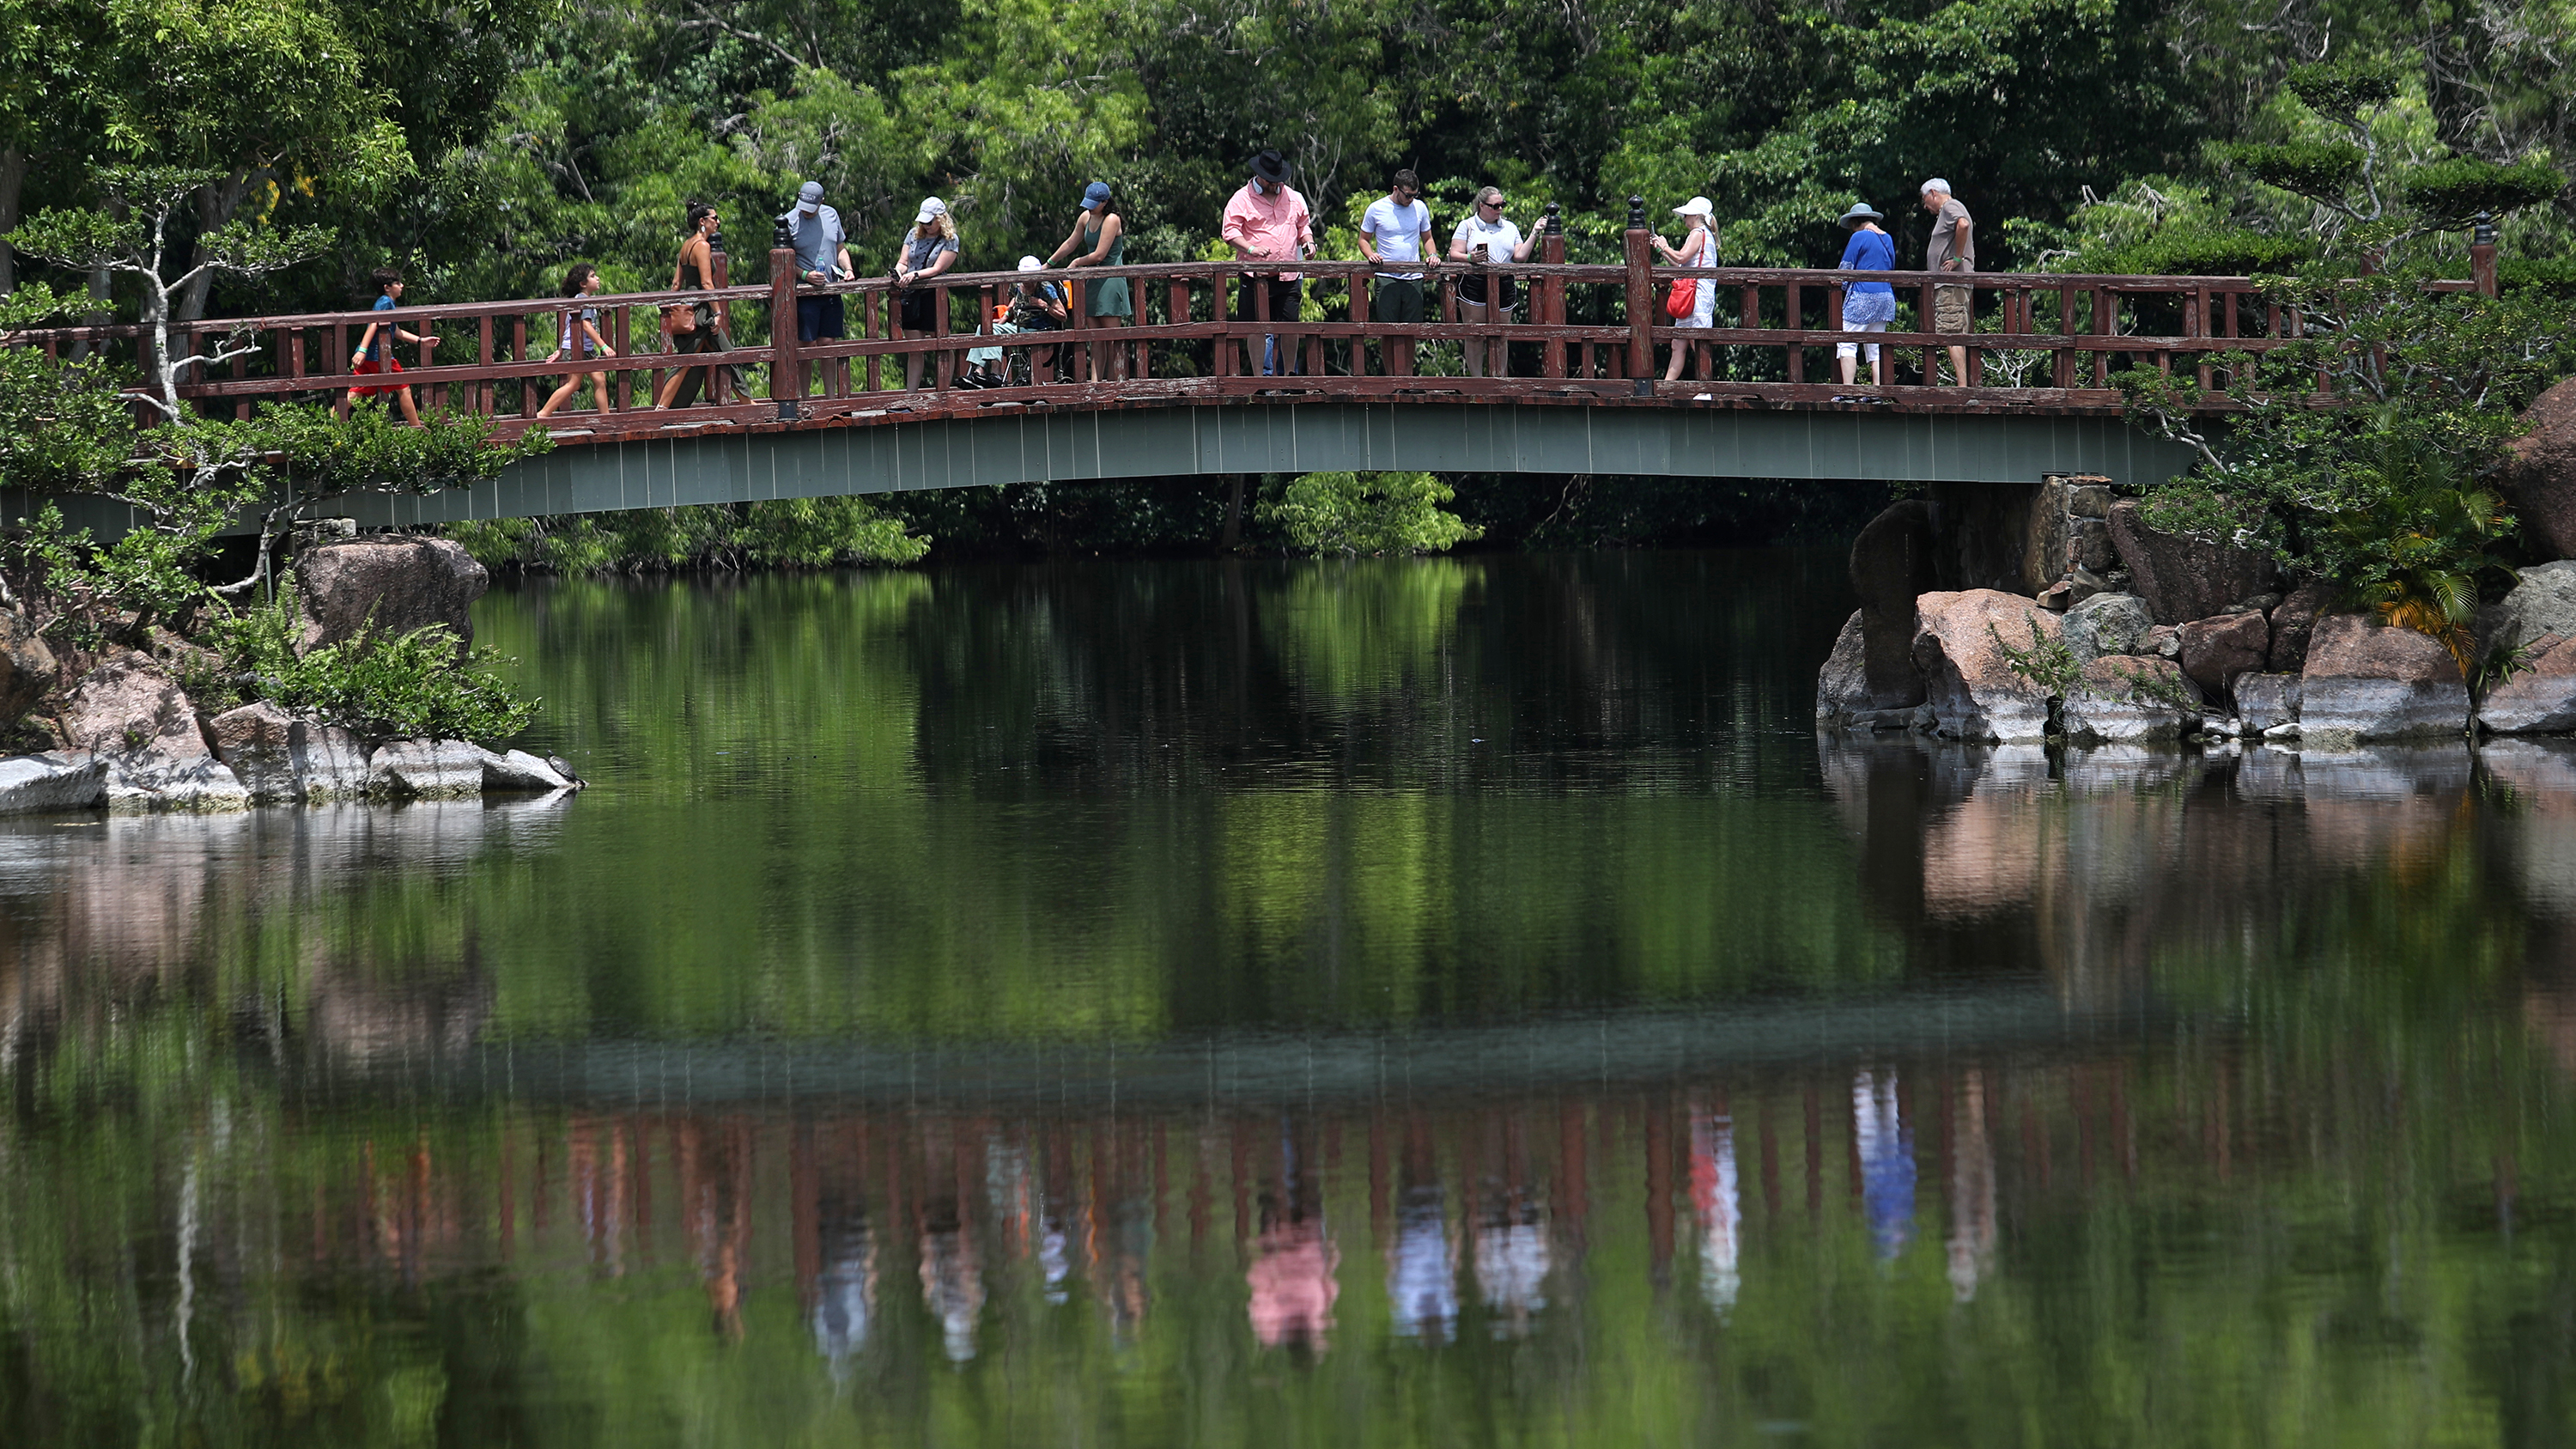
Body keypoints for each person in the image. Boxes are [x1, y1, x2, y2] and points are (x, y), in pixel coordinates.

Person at [1221, 149, 1314, 377]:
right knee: (1256, 327)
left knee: (1291, 326)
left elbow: (1303, 224)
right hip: (1256, 276)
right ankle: (1259, 379)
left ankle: (1290, 375)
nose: (1277, 184)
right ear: (1261, 177)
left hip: (1289, 274)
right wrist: (1251, 248)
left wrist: (1308, 242)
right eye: (1272, 180)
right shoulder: (1241, 198)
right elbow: (1230, 231)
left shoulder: (1294, 197)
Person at [1046, 181, 1130, 381]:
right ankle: (1095, 383)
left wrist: (1076, 263)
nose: (1090, 207)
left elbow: (1100, 254)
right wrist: (1048, 264)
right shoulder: (1085, 217)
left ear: (1105, 202)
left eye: (1094, 204)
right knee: (1095, 337)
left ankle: (1116, 382)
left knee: (1112, 337)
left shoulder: (1112, 220)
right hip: (1091, 281)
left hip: (1109, 280)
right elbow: (1070, 242)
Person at [1448, 186, 1534, 378]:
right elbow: (1454, 253)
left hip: (1504, 282)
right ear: (1482, 206)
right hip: (1474, 281)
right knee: (1475, 333)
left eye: (1502, 205)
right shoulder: (1467, 225)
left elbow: (1520, 256)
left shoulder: (1510, 227)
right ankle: (1477, 380)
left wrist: (1535, 233)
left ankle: (1499, 378)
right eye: (1495, 206)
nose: (1500, 209)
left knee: (1501, 334)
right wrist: (1471, 258)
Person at [1358, 168, 1434, 375]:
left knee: (1410, 331)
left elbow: (1427, 238)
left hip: (1413, 277)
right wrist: (1371, 254)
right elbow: (1363, 239)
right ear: (1396, 189)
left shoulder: (1420, 208)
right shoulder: (1377, 208)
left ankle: (1407, 376)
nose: (1411, 199)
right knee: (1388, 330)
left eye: (1414, 195)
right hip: (1387, 277)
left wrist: (1432, 254)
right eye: (1408, 195)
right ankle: (1392, 376)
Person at [653, 202, 728, 410]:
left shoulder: (686, 245)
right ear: (702, 222)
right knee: (725, 355)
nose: (718, 222)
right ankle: (663, 406)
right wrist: (718, 311)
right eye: (715, 218)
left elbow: (676, 284)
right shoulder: (702, 246)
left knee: (688, 361)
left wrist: (668, 307)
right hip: (702, 311)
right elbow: (706, 283)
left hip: (690, 308)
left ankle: (664, 406)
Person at [345, 268, 438, 423]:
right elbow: (373, 323)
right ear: (387, 287)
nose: (401, 286)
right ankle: (417, 429)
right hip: (378, 355)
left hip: (370, 356)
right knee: (404, 388)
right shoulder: (385, 302)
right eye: (397, 283)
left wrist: (421, 341)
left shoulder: (388, 303)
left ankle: (330, 423)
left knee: (356, 391)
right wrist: (363, 349)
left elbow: (394, 330)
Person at [892, 197, 960, 390]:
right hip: (911, 295)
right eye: (923, 222)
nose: (926, 225)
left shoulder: (950, 240)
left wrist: (914, 275)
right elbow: (903, 262)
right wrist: (898, 272)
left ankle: (944, 389)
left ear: (941, 219)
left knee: (942, 343)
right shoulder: (913, 234)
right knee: (915, 348)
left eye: (929, 222)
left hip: (933, 295)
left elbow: (938, 269)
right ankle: (910, 395)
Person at [1652, 196, 1720, 387]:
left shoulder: (1698, 233)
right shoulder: (1702, 234)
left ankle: (1705, 388)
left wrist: (1666, 246)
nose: (1684, 219)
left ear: (1696, 216)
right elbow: (1681, 263)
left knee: (1696, 342)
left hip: (1698, 294)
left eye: (1686, 215)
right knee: (1679, 343)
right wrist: (1662, 250)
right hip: (1692, 294)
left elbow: (1681, 256)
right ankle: (1667, 386)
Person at [534, 263, 617, 418]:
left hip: (582, 349)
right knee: (573, 384)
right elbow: (585, 326)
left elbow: (568, 327)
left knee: (599, 379)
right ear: (583, 284)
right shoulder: (581, 300)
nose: (597, 278)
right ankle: (543, 413)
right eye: (593, 276)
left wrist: (560, 349)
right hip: (576, 349)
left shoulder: (582, 300)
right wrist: (604, 346)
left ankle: (606, 417)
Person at [1832, 203, 1897, 392]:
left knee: (1847, 343)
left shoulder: (1858, 236)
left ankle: (1848, 391)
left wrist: (1841, 287)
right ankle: (1878, 391)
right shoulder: (1888, 238)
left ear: (1855, 223)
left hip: (1863, 296)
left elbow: (1846, 267)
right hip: (1885, 298)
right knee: (1875, 346)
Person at [783, 180, 850, 356]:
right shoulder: (789, 222)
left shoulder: (832, 215)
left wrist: (848, 269)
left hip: (830, 290)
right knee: (805, 346)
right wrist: (805, 275)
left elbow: (840, 248)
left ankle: (830, 385)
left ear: (821, 201)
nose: (806, 210)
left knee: (828, 344)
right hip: (805, 292)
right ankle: (803, 385)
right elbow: (783, 262)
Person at [1920, 178, 1975, 385]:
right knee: (1954, 332)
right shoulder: (1948, 209)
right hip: (1951, 284)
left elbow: (1963, 224)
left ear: (1933, 193)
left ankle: (1962, 387)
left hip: (1951, 284)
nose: (1925, 206)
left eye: (1925, 199)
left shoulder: (1951, 206)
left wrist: (1957, 259)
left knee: (1952, 333)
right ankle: (1963, 385)